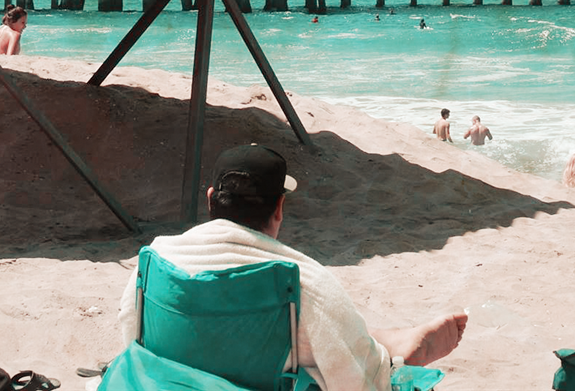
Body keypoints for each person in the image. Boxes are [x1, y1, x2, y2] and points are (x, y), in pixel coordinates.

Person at [117, 145, 467, 390]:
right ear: (279, 208)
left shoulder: (154, 260)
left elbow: (132, 342)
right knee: (336, 354)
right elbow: (356, 386)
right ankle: (387, 349)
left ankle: (381, 343)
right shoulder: (303, 281)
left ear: (210, 199)